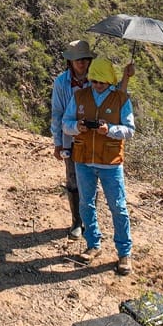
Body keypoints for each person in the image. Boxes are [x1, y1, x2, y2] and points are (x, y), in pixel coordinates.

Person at [63, 56, 135, 275]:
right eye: (94, 81)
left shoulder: (121, 99)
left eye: (101, 82)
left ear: (110, 81)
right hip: (84, 159)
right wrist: (77, 126)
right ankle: (93, 244)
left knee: (118, 207)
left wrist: (110, 130)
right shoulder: (80, 96)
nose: (97, 86)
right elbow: (66, 123)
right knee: (86, 204)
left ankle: (124, 253)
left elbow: (129, 130)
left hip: (110, 162)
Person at [50, 39, 94, 239]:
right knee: (73, 178)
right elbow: (57, 112)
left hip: (94, 137)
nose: (81, 63)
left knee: (92, 179)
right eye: (77, 59)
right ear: (70, 61)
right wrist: (57, 142)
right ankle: (77, 220)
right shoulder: (61, 82)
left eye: (84, 59)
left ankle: (89, 220)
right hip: (70, 137)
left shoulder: (96, 79)